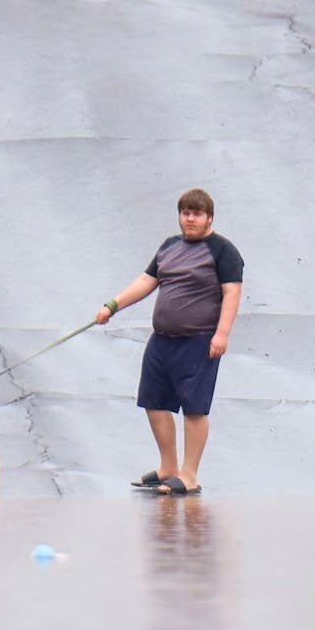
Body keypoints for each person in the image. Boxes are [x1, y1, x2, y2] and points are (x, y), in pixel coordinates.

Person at [94, 188, 243, 496]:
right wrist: (112, 306)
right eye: (185, 213)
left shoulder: (223, 251)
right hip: (162, 340)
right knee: (154, 402)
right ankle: (168, 467)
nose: (190, 219)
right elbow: (147, 281)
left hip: (199, 341)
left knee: (194, 408)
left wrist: (222, 334)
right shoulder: (169, 247)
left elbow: (232, 292)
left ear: (209, 218)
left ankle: (189, 476)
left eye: (197, 214)